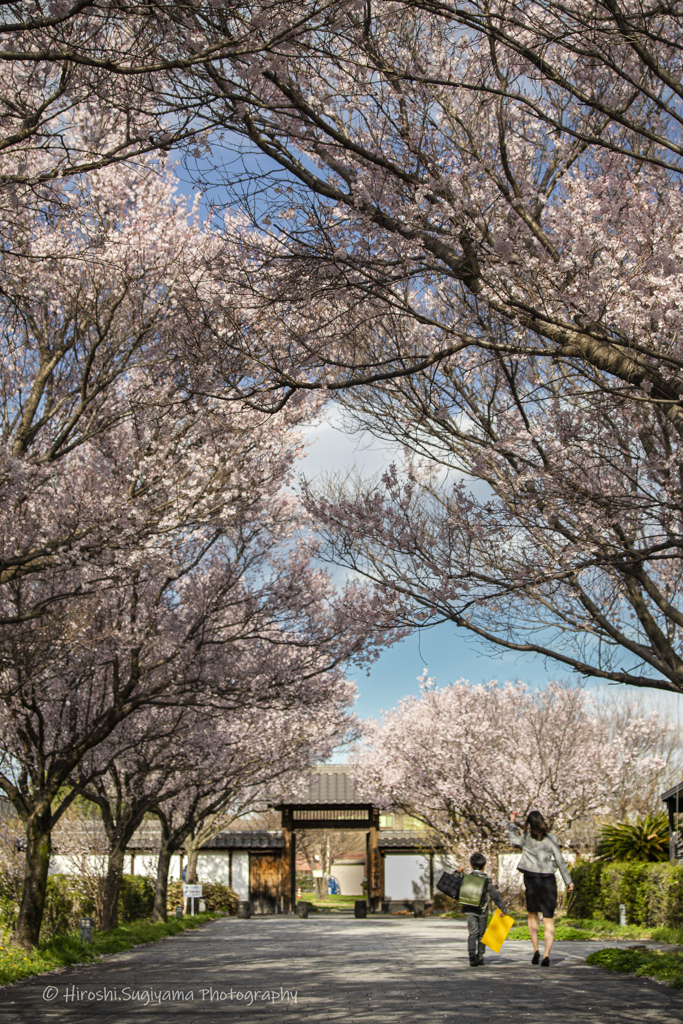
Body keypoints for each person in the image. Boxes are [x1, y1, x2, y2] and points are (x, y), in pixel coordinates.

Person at [508, 810, 574, 967]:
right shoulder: (551, 839)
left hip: (531, 880)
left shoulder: (526, 838)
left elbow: (512, 840)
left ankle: (536, 949)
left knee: (532, 915)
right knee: (548, 918)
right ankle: (546, 955)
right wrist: (568, 881)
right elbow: (560, 860)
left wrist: (512, 822)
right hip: (548, 881)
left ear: (529, 824)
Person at [460, 852, 509, 967]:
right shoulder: (486, 880)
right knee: (482, 934)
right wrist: (503, 908)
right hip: (482, 910)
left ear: (471, 866)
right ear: (484, 866)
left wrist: (457, 873)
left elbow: (455, 886)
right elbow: (494, 895)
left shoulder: (466, 878)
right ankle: (480, 956)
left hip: (469, 909)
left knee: (472, 934)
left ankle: (471, 954)